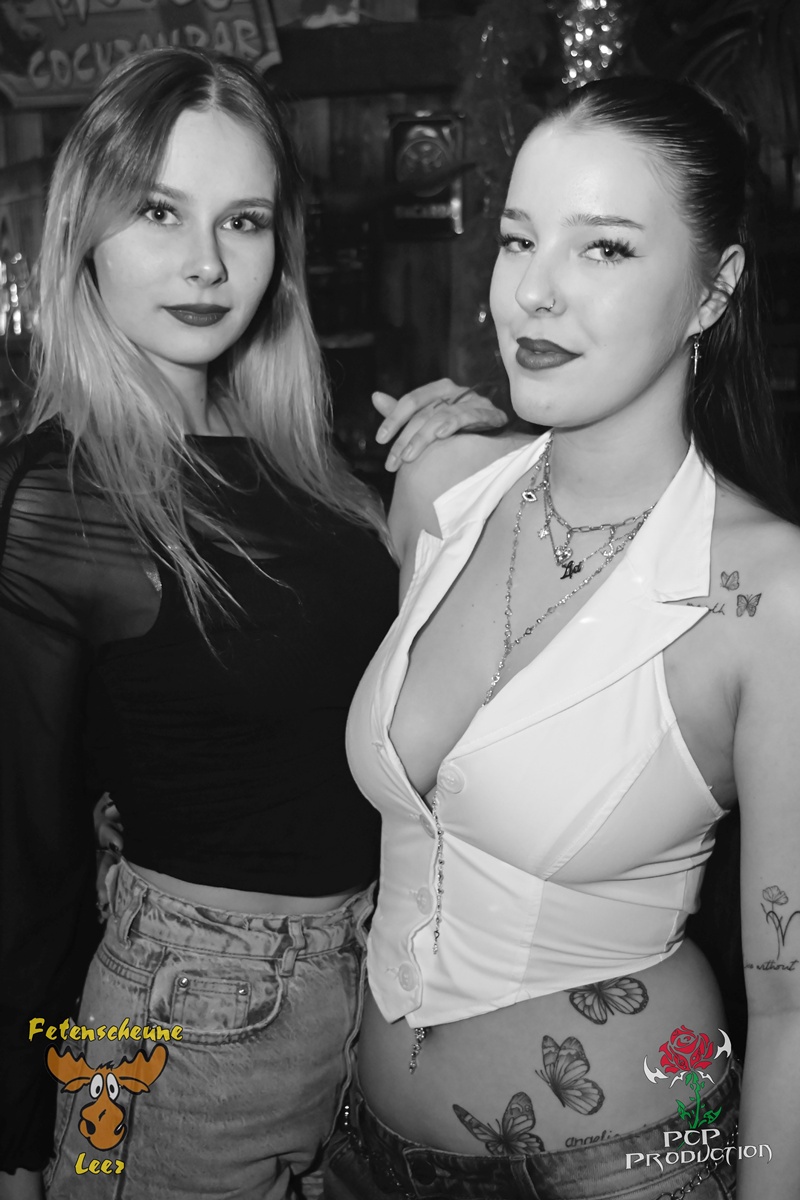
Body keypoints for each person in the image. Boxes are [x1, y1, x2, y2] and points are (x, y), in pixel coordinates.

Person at [0, 49, 501, 1200]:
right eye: (158, 212)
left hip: (378, 996)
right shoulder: (60, 500)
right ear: (84, 232)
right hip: (183, 1026)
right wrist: (14, 1136)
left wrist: (494, 472)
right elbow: (21, 852)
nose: (206, 263)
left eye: (243, 221)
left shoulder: (313, 473)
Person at [324, 76, 800, 1199]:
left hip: (619, 1166)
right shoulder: (440, 489)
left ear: (712, 290)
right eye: (517, 240)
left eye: (605, 249)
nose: (533, 292)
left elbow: (788, 1003)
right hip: (360, 1146)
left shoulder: (766, 593)